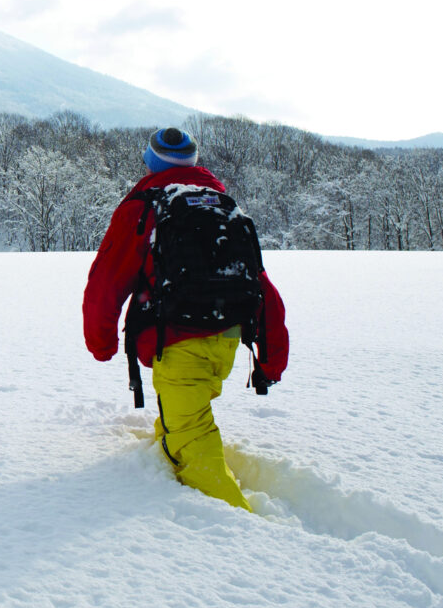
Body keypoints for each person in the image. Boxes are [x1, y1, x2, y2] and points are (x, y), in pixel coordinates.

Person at [82, 126, 289, 510]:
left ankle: (246, 530)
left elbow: (106, 280)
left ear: (149, 163)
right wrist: (271, 358)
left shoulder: (144, 207)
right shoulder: (223, 207)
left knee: (193, 443)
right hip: (227, 339)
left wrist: (101, 343)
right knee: (182, 418)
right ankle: (168, 446)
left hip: (177, 342)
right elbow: (263, 287)